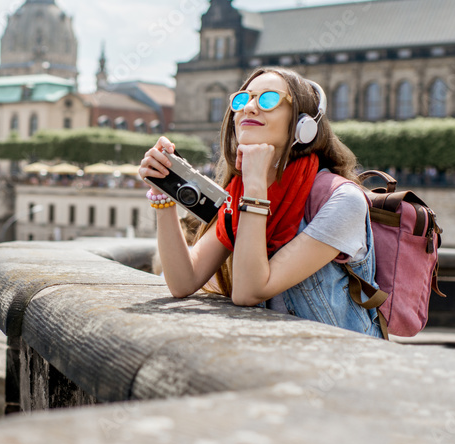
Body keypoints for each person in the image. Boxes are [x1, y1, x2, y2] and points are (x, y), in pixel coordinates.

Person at [139, 67, 383, 338]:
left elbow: (248, 291)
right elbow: (184, 281)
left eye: (268, 99)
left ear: (304, 124)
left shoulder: (342, 200)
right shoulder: (239, 192)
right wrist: (163, 194)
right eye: (242, 100)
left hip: (339, 364)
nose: (250, 108)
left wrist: (255, 184)